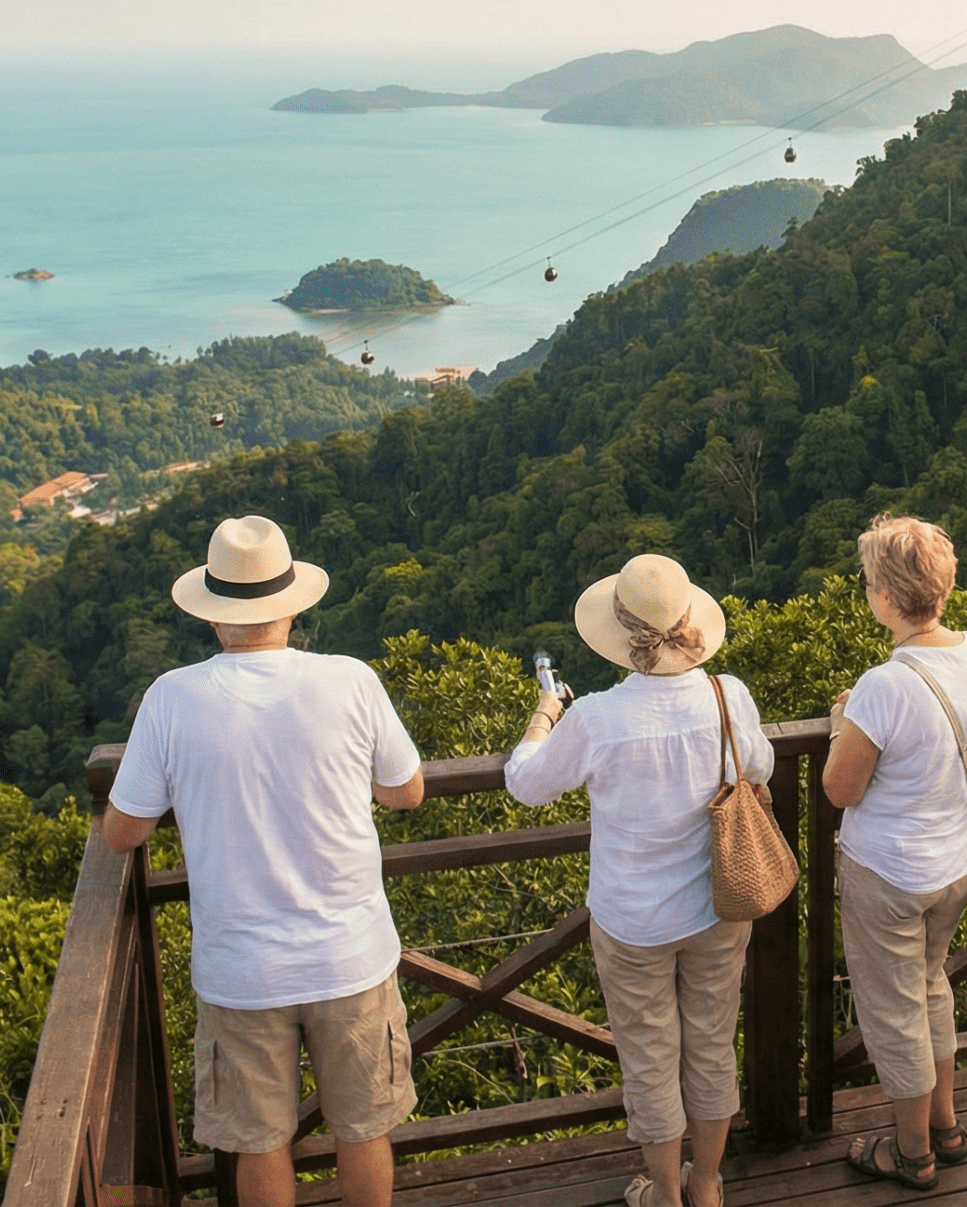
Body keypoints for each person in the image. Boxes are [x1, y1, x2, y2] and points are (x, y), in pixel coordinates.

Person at [103, 515, 427, 1207]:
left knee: (258, 1142)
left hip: (241, 969)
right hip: (352, 956)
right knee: (365, 1127)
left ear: (215, 617)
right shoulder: (351, 680)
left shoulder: (171, 697)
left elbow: (121, 832)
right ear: (292, 605)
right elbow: (406, 791)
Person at [502, 554, 771, 1207]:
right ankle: (706, 1183)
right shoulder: (726, 693)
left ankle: (664, 1192)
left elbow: (525, 782)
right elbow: (759, 762)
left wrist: (543, 716)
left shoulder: (597, 716)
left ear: (625, 639)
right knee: (711, 1045)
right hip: (718, 905)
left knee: (650, 1059)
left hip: (632, 921)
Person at [823, 515, 967, 1191]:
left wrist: (846, 723)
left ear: (887, 597)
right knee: (930, 988)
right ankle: (945, 1125)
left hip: (889, 874)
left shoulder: (884, 683)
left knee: (893, 1011)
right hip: (955, 864)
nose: (866, 589)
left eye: (869, 580)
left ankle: (910, 1151)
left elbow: (841, 787)